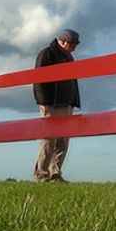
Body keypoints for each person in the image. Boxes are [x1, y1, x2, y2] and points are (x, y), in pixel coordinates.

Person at [33, 29, 81, 183]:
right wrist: (43, 102)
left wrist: (74, 101)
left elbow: (72, 81)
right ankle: (42, 174)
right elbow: (38, 80)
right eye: (72, 44)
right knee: (48, 139)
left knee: (63, 140)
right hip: (51, 104)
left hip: (67, 103)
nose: (74, 48)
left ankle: (55, 173)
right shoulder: (47, 54)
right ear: (64, 41)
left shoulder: (69, 57)